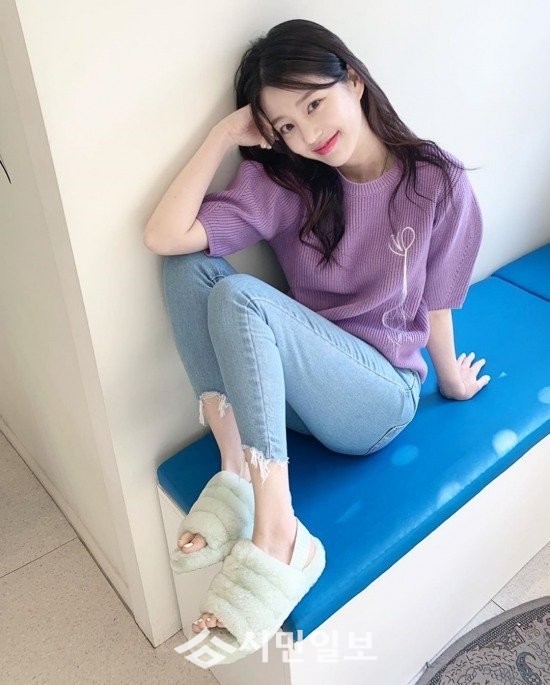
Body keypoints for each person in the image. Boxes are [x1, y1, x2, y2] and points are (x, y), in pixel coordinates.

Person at [144, 18, 490, 663]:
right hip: (294, 397)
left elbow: (437, 299)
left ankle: (279, 533)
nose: (308, 136)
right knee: (187, 267)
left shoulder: (434, 180)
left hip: (376, 399)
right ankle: (236, 475)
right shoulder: (289, 182)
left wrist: (449, 379)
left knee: (240, 295)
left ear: (352, 80)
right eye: (285, 127)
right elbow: (165, 236)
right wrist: (221, 135)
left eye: (312, 104)